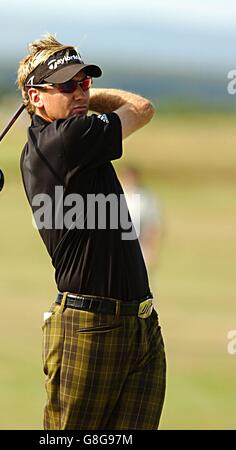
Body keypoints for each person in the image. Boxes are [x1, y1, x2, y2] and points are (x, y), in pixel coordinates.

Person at [17, 34, 166, 430]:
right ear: (36, 98)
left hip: (139, 323)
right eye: (67, 85)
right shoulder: (68, 139)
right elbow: (141, 108)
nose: (81, 93)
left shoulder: (68, 137)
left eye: (84, 83)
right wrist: (92, 99)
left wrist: (77, 95)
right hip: (89, 326)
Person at [119, 165, 163, 273]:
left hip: (139, 247)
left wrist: (152, 249)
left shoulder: (145, 198)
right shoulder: (114, 195)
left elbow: (153, 224)